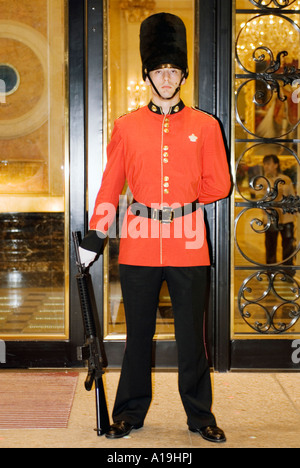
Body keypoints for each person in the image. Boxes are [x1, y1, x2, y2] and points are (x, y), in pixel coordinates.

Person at [79, 13, 231, 443]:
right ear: (147, 75)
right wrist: (96, 235)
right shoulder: (127, 126)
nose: (167, 78)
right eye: (159, 70)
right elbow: (110, 185)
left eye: (174, 70)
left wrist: (182, 202)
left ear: (182, 75)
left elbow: (220, 184)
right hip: (139, 246)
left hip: (188, 244)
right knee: (137, 335)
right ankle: (129, 412)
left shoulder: (205, 126)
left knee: (191, 338)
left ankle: (200, 416)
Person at [262, 154, 296, 270]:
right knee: (270, 246)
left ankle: (288, 272)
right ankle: (270, 271)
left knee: (288, 246)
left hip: (286, 218)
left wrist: (294, 214)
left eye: (268, 163)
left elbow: (293, 197)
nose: (266, 166)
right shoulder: (263, 181)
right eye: (264, 164)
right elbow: (258, 199)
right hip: (271, 218)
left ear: (275, 165)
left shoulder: (286, 179)